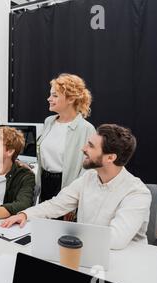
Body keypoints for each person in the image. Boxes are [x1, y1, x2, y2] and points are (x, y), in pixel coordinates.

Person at [1, 124, 151, 250]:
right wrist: (24, 215)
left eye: (91, 146)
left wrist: (66, 233)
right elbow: (56, 205)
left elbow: (115, 239)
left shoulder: (137, 193)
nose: (83, 149)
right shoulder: (88, 178)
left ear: (110, 158)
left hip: (126, 261)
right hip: (87, 253)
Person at [37, 74, 96, 220]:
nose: (49, 99)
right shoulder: (49, 122)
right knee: (42, 229)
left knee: (61, 235)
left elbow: (87, 172)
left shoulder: (86, 129)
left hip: (66, 187)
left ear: (70, 99)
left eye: (55, 95)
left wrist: (74, 202)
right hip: (45, 183)